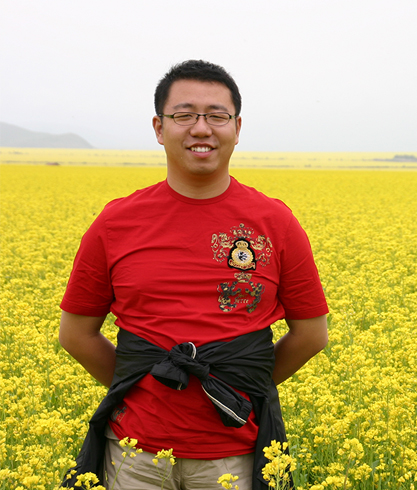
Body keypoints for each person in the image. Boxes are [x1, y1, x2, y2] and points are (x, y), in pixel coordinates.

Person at [59, 60, 329, 489]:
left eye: (216, 116)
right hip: (133, 458)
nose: (201, 128)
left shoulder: (275, 223)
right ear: (159, 127)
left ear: (237, 128)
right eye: (184, 115)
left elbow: (312, 335)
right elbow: (75, 335)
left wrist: (233, 384)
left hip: (235, 456)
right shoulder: (115, 223)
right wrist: (147, 384)